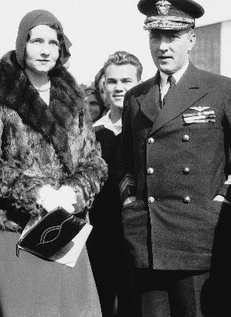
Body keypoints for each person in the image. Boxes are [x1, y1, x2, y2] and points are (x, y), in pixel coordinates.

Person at [119, 0, 231, 317]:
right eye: (156, 36)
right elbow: (125, 162)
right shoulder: (135, 97)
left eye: (173, 36)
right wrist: (129, 199)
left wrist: (223, 201)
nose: (163, 46)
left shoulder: (220, 89)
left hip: (199, 239)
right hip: (148, 239)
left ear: (192, 39)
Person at [0, 9, 107, 316]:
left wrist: (73, 193)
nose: (45, 50)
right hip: (13, 231)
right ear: (22, 43)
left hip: (64, 230)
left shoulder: (73, 96)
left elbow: (94, 159)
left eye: (53, 43)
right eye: (36, 41)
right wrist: (37, 193)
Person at [89, 50, 143, 316]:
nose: (119, 87)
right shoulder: (91, 134)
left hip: (140, 238)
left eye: (126, 80)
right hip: (101, 238)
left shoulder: (150, 129)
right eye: (112, 81)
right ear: (104, 86)